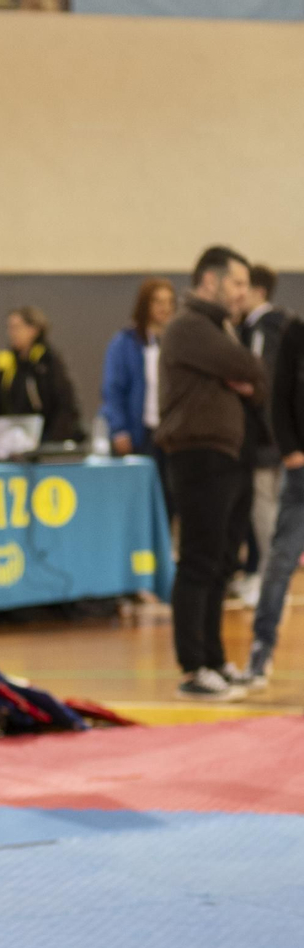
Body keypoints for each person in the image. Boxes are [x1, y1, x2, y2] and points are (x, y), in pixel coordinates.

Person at [157, 246, 266, 701]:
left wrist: (250, 382)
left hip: (228, 454)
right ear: (209, 281)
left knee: (222, 562)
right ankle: (193, 668)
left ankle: (215, 659)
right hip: (198, 456)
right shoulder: (189, 326)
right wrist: (245, 379)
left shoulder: (221, 327)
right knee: (200, 561)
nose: (243, 293)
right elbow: (252, 369)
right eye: (237, 283)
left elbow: (260, 386)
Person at [248, 312, 304, 687]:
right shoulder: (294, 333)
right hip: (300, 470)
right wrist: (290, 450)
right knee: (281, 559)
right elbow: (278, 396)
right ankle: (261, 646)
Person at [101, 278, 178, 518]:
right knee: (139, 499)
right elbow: (112, 390)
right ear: (145, 304)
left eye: (169, 302)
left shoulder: (178, 342)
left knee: (171, 497)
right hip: (140, 434)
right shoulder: (125, 343)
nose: (164, 308)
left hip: (172, 435)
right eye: (157, 301)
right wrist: (119, 429)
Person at [236, 266, 289, 598]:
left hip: (266, 435)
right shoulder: (276, 325)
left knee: (265, 506)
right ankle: (261, 571)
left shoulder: (264, 329)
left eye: (243, 286)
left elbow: (258, 378)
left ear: (258, 291)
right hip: (274, 433)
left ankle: (272, 580)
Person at [0, 306, 82, 443]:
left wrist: (51, 443)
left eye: (16, 327)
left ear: (34, 330)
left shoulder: (48, 361)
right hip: (15, 441)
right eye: (9, 327)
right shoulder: (6, 361)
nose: (11, 333)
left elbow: (65, 405)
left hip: (45, 440)